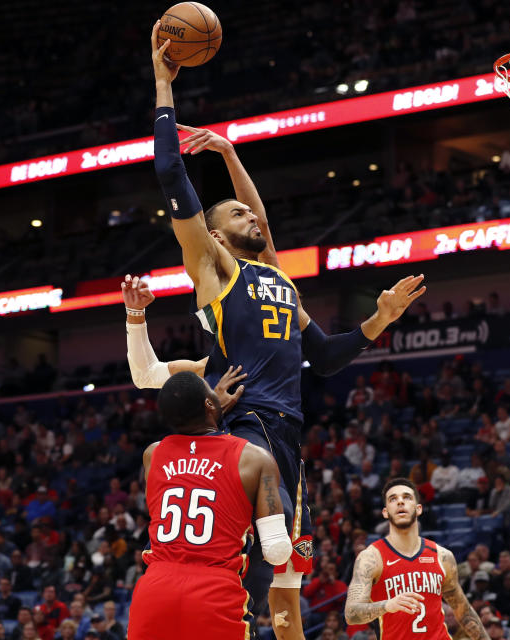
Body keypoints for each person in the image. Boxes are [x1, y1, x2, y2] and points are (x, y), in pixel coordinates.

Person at [148, 25, 427, 636]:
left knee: (286, 572)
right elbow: (172, 177)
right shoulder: (214, 268)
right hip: (245, 426)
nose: (252, 214)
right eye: (237, 212)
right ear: (216, 235)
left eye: (250, 210)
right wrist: (165, 86)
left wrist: (378, 320)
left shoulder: (279, 280)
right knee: (253, 566)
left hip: (288, 432)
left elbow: (324, 357)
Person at [126, 371, 292, 640]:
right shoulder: (255, 459)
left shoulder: (152, 454)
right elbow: (276, 551)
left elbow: (192, 453)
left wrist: (209, 407)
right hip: (214, 593)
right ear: (208, 404)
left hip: (154, 593)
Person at [344, 478, 489, 640]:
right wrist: (387, 605)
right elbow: (351, 613)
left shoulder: (443, 556)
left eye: (407, 497)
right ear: (385, 512)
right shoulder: (371, 557)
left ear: (418, 509)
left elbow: (464, 613)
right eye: (393, 499)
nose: (400, 502)